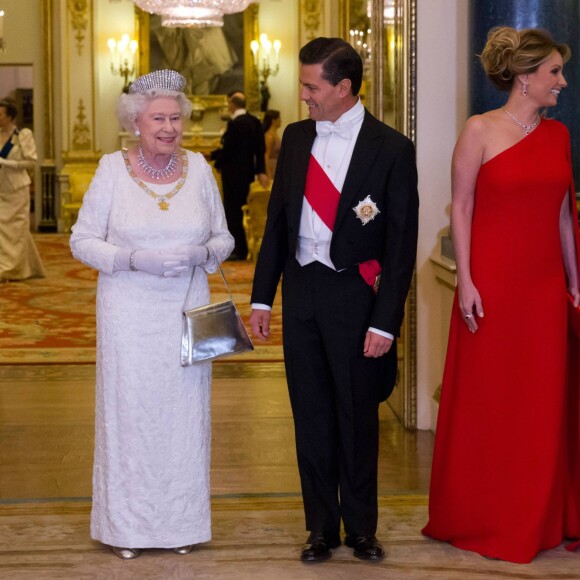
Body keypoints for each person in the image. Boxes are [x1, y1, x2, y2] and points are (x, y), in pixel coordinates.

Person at [249, 38, 418, 563]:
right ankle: (319, 527)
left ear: (343, 88)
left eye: (311, 86)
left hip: (354, 299)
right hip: (302, 294)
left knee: (356, 416)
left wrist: (386, 323)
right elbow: (277, 224)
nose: (302, 95)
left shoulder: (391, 148)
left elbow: (401, 244)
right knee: (312, 415)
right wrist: (262, 299)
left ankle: (361, 528)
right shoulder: (297, 139)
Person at [422, 27, 580, 563]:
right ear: (525, 77)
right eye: (555, 71)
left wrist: (574, 277)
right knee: (493, 401)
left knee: (540, 402)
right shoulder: (480, 130)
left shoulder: (558, 137)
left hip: (543, 288)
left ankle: (538, 517)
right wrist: (466, 279)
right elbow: (461, 207)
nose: (563, 81)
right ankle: (484, 513)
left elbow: (562, 211)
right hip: (492, 285)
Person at [70, 70, 234, 560]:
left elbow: (224, 238)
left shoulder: (200, 169)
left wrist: (201, 253)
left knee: (183, 419)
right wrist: (133, 259)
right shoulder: (110, 169)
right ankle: (127, 529)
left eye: (175, 118)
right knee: (132, 418)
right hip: (128, 316)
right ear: (135, 121)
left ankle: (180, 526)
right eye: (158, 118)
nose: (169, 127)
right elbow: (81, 240)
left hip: (186, 314)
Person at [211, 91, 268, 260]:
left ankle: (239, 250)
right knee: (244, 208)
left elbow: (229, 150)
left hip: (232, 174)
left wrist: (217, 162)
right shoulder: (255, 122)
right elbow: (260, 149)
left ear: (233, 105)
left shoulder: (235, 124)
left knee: (233, 211)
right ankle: (242, 248)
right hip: (248, 172)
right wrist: (260, 171)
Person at [0, 98, 45, 281]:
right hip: (1, 188)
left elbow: (31, 162)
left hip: (17, 189)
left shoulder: (23, 135)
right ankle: (24, 267)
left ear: (10, 116)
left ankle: (11, 269)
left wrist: (6, 162)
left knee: (16, 230)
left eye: (0, 114)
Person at [262, 109, 282, 180]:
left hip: (276, 165)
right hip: (271, 166)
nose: (281, 120)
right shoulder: (269, 136)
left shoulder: (275, 134)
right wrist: (269, 173)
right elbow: (266, 155)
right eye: (279, 118)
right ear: (273, 120)